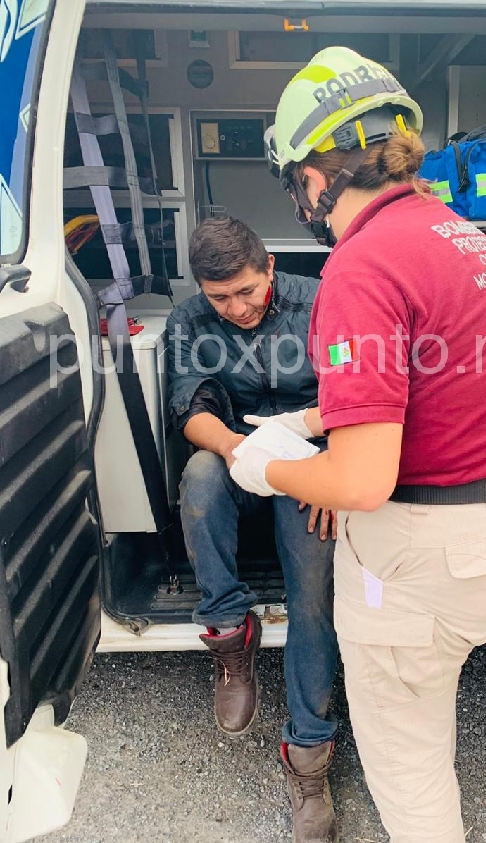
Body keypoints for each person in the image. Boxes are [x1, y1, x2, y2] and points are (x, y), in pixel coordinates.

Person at [230, 47, 486, 843]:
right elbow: (443, 381)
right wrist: (310, 422)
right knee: (425, 698)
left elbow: (364, 480)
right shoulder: (464, 238)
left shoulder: (361, 264)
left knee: (409, 774)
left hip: (428, 556)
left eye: (295, 178)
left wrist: (266, 467)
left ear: (314, 172)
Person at [166, 216, 339, 843]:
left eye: (247, 290)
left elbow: (355, 395)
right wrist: (244, 451)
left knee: (313, 598)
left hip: (310, 459)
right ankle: (232, 638)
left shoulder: (322, 301)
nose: (236, 308)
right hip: (240, 454)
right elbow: (191, 407)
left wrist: (332, 471)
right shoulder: (189, 320)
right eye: (220, 298)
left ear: (269, 268)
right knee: (203, 475)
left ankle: (310, 759)